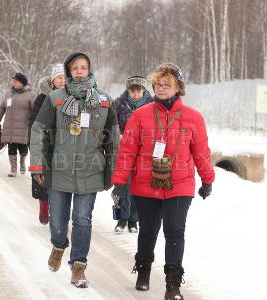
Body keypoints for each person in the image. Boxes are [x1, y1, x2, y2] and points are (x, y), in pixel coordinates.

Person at [111, 63, 215, 300]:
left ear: (178, 87)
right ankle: (144, 270)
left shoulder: (193, 117)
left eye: (166, 84)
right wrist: (119, 183)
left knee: (175, 231)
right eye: (157, 84)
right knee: (148, 231)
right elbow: (127, 151)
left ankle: (173, 285)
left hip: (180, 183)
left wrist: (207, 178)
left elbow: (201, 152)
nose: (160, 88)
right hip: (146, 182)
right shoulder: (140, 115)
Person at [29, 52, 119, 288]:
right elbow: (38, 130)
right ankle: (58, 245)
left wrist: (113, 170)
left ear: (89, 70)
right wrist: (37, 164)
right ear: (68, 71)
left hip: (90, 170)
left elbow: (114, 140)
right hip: (59, 169)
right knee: (57, 220)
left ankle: (78, 266)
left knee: (82, 220)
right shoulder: (55, 98)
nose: (79, 71)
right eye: (75, 68)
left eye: (83, 67)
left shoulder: (104, 100)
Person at [113, 75, 153, 233]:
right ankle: (121, 219)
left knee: (139, 185)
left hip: (144, 151)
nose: (136, 94)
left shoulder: (153, 104)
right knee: (122, 184)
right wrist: (118, 136)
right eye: (133, 90)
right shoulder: (118, 104)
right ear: (128, 90)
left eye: (139, 90)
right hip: (124, 149)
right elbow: (112, 123)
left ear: (144, 90)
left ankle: (133, 220)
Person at [28, 64, 65, 225]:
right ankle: (44, 208)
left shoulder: (70, 97)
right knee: (44, 181)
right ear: (53, 80)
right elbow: (33, 123)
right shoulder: (42, 97)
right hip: (45, 146)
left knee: (62, 183)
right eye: (59, 77)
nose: (62, 80)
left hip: (64, 146)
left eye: (65, 77)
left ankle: (60, 213)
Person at [0, 73, 36, 177]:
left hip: (23, 127)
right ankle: (13, 169)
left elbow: (36, 109)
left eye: (16, 81)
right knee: (11, 148)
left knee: (23, 148)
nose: (14, 83)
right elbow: (2, 107)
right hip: (9, 127)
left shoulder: (30, 94)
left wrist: (34, 122)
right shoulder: (9, 94)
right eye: (14, 81)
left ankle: (22, 163)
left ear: (22, 83)